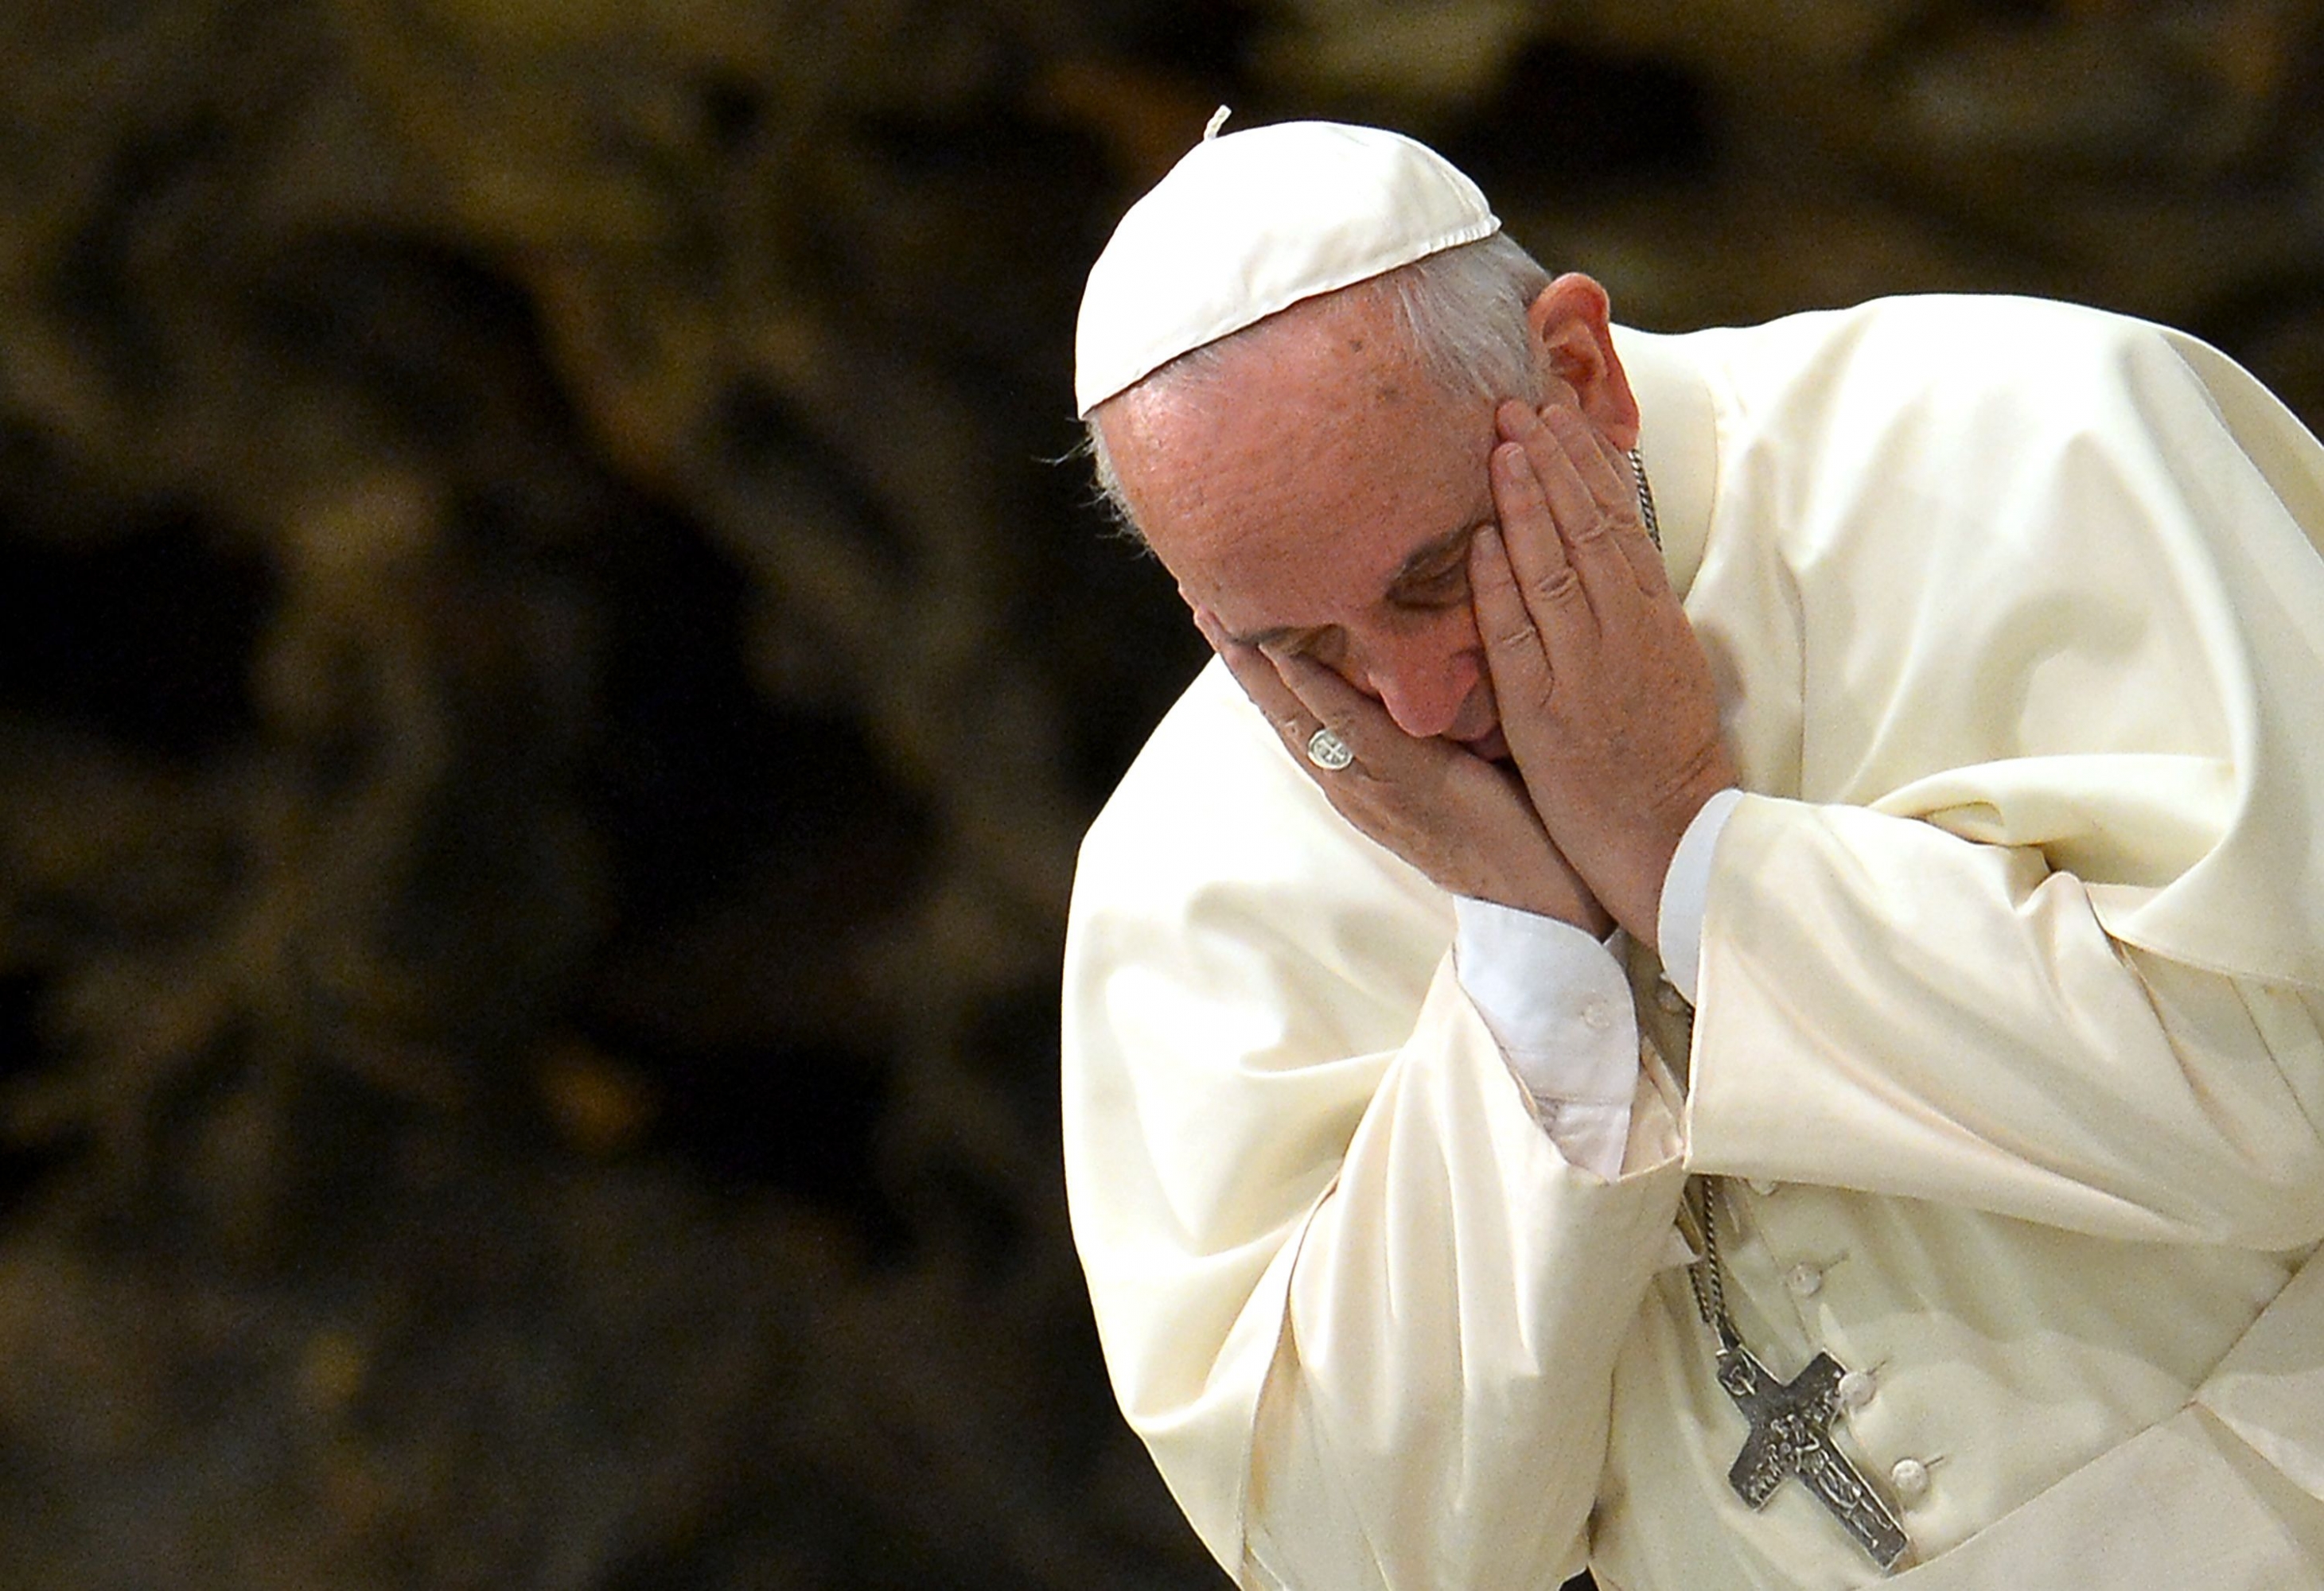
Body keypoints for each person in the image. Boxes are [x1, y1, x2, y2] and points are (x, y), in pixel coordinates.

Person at [1060, 114, 2324, 1590]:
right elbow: (1351, 1555)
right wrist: (1533, 969)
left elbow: (2288, 1103)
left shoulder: (2036, 439)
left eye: (1429, 574)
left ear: (1579, 372)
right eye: (1297, 648)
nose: (1409, 702)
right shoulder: (1190, 875)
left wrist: (1687, 859)